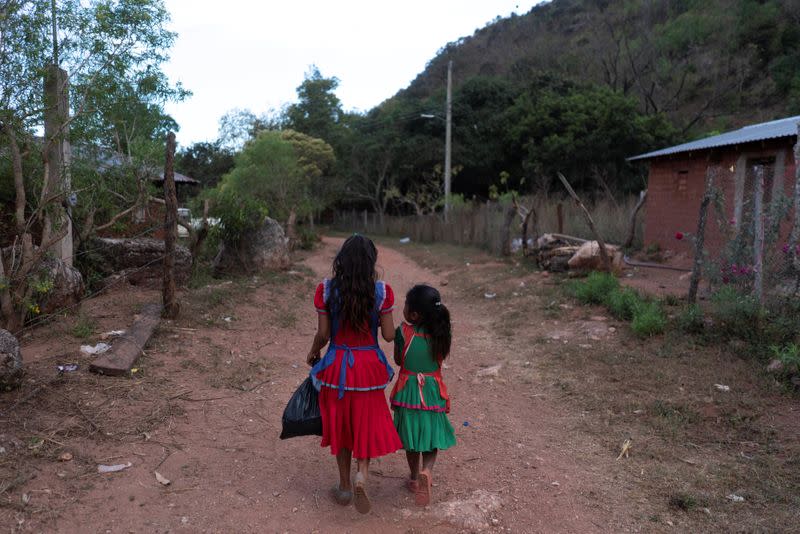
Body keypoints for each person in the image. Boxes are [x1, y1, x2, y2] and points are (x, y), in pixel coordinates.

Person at [306, 235, 402, 514]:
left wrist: (312, 352)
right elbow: (386, 334)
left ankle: (345, 487)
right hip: (369, 367)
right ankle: (362, 473)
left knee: (341, 424)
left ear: (341, 261)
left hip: (337, 366)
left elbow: (323, 334)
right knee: (366, 421)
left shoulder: (326, 290)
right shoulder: (382, 292)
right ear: (371, 261)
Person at [389, 284, 456, 506]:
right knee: (430, 437)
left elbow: (399, 361)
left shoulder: (404, 332)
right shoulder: (441, 335)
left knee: (410, 439)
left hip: (408, 393)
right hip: (431, 393)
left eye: (406, 304)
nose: (404, 308)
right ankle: (427, 471)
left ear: (414, 314)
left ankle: (414, 477)